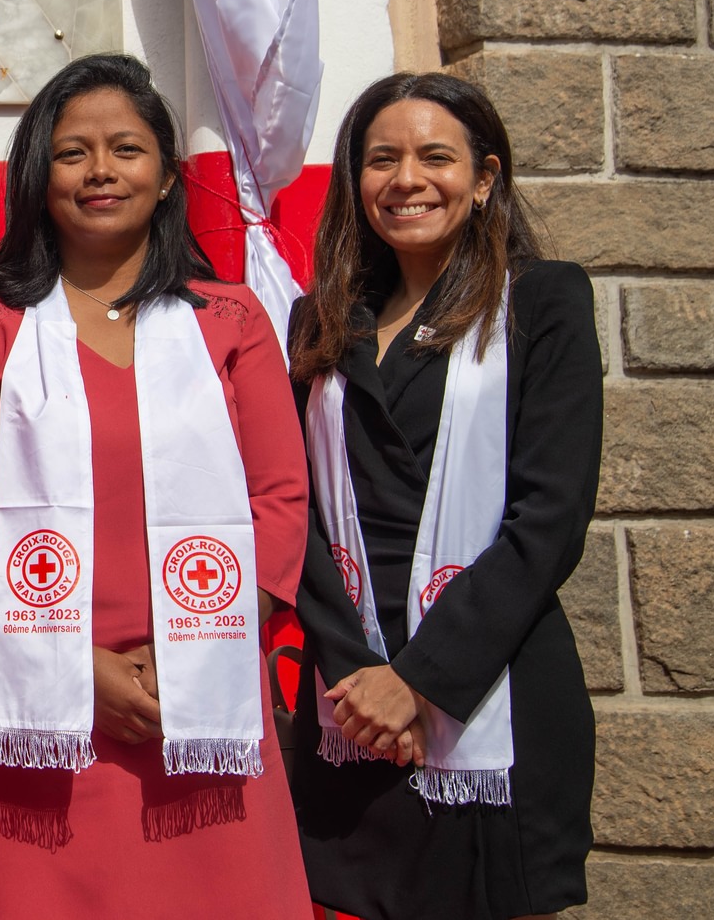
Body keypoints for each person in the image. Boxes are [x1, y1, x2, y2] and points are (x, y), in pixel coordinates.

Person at [0, 53, 313, 918]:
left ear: (168, 174)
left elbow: (282, 500)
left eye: (126, 148)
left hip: (205, 702)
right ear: (39, 175)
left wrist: (193, 654)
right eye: (73, 153)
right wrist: (81, 666)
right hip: (47, 711)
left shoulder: (233, 322)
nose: (101, 171)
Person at [285, 72, 599, 920]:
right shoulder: (319, 319)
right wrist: (359, 675)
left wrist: (417, 683)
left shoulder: (543, 302)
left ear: (485, 176)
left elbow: (551, 520)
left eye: (436, 157)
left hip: (491, 687)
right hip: (348, 703)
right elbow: (293, 511)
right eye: (382, 158)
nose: (407, 178)